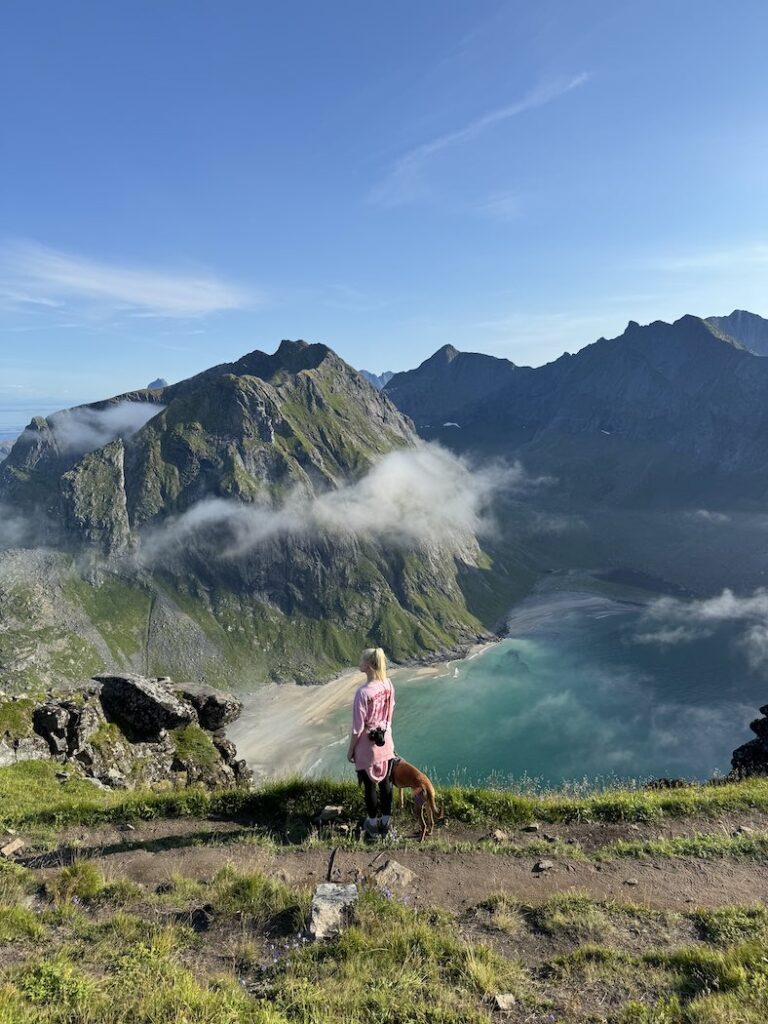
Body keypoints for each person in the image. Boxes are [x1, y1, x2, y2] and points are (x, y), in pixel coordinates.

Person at [347, 647, 396, 840]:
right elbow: (390, 713)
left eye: (361, 659)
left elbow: (357, 728)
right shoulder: (389, 684)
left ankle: (373, 824)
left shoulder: (363, 693)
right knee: (385, 783)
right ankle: (386, 820)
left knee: (369, 787)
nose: (359, 662)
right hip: (386, 740)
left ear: (367, 665)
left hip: (367, 746)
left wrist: (351, 750)